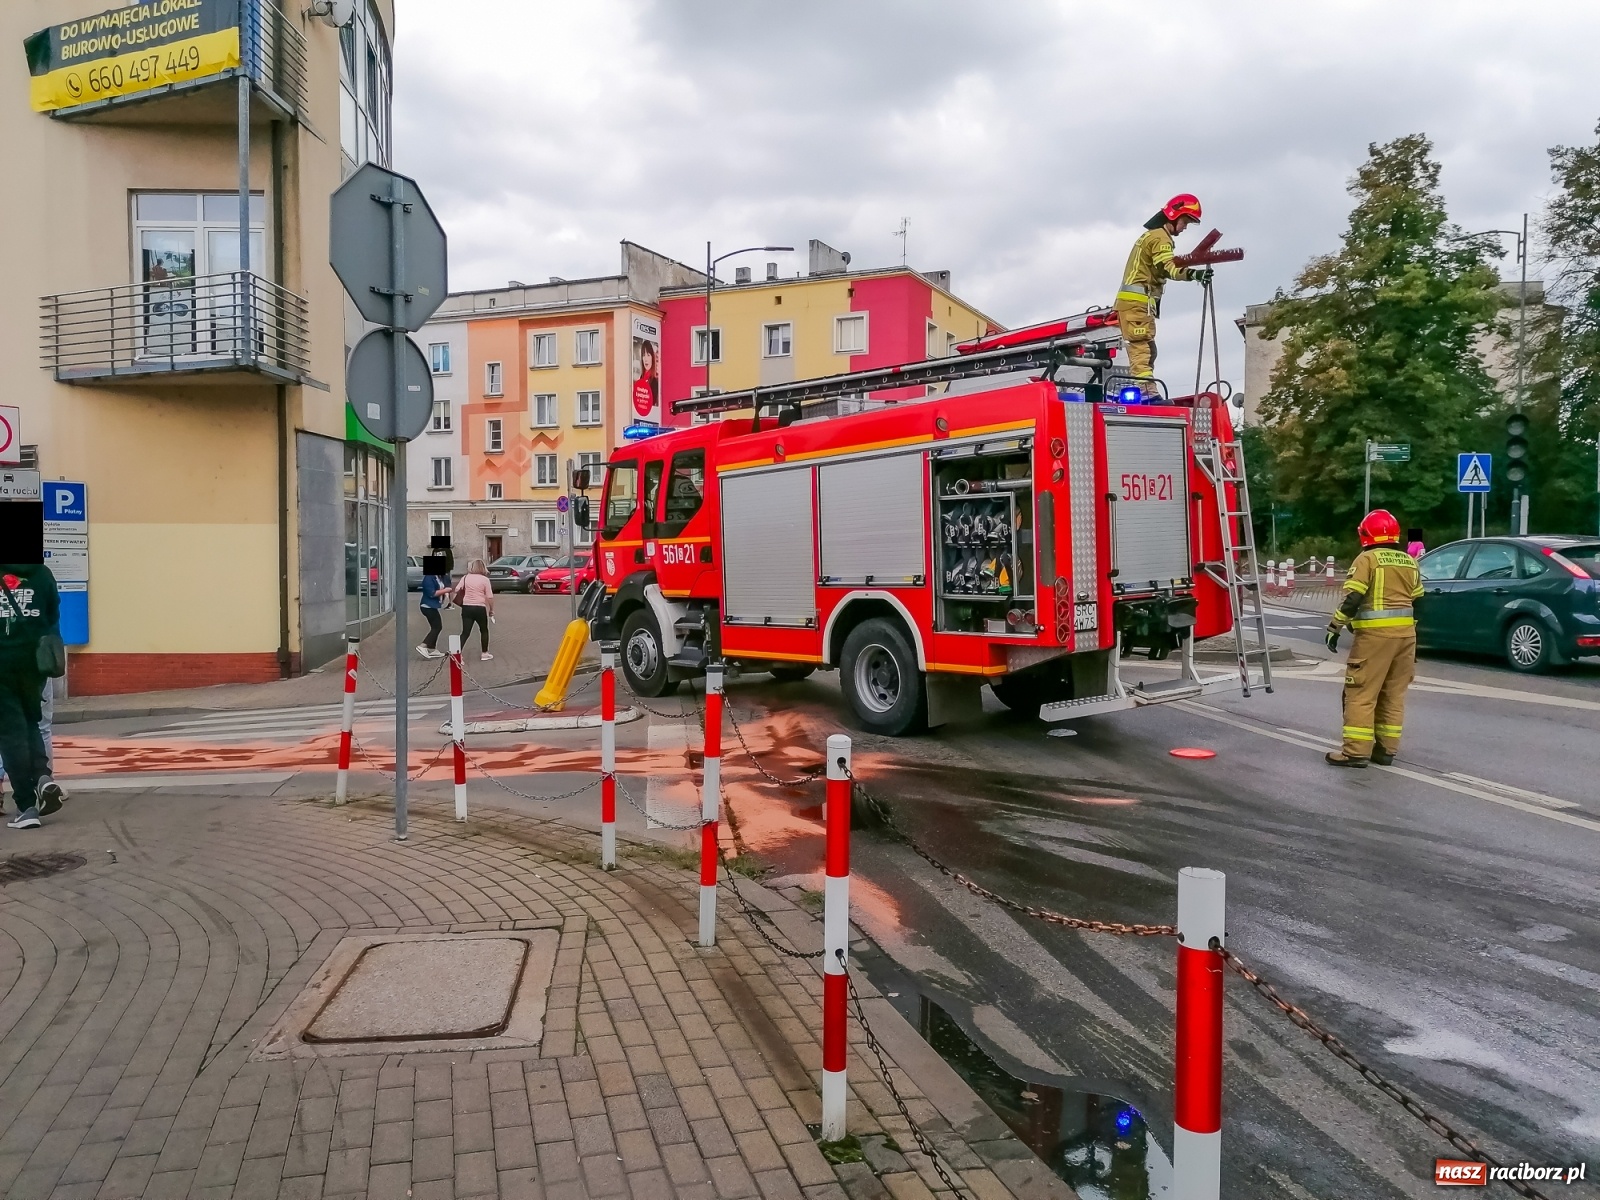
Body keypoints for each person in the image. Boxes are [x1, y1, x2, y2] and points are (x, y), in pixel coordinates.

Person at [1324, 510, 1424, 767]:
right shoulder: (1409, 561)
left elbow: (1353, 598)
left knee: (1361, 692)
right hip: (1406, 638)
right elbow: (1420, 602)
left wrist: (1335, 627)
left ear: (1366, 534)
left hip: (1374, 638)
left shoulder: (1367, 559)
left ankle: (1355, 752)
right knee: (1393, 694)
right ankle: (1386, 750)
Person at [1114, 194, 1209, 380]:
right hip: (1137, 305)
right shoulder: (1160, 238)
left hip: (1136, 305)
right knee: (1142, 351)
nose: (1185, 228)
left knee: (1149, 350)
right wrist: (1194, 274)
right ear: (1174, 216)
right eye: (1185, 222)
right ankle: (1148, 392)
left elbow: (1163, 267)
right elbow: (1168, 267)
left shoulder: (1153, 236)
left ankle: (1146, 389)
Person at [0, 563, 66, 828]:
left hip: (2, 663)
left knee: (10, 734)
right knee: (31, 721)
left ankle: (26, 806)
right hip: (34, 663)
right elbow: (52, 615)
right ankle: (42, 776)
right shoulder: (42, 573)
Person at [453, 558, 495, 661]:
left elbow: (457, 589)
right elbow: (490, 597)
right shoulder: (485, 580)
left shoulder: (465, 577)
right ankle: (484, 653)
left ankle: (457, 654)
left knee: (465, 632)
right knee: (484, 630)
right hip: (479, 608)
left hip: (467, 607)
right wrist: (491, 610)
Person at [416, 566, 452, 659]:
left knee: (436, 626)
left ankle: (432, 649)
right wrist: (445, 590)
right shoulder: (428, 578)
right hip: (427, 606)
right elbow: (432, 593)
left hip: (433, 606)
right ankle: (423, 645)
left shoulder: (439, 577)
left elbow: (447, 583)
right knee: (437, 627)